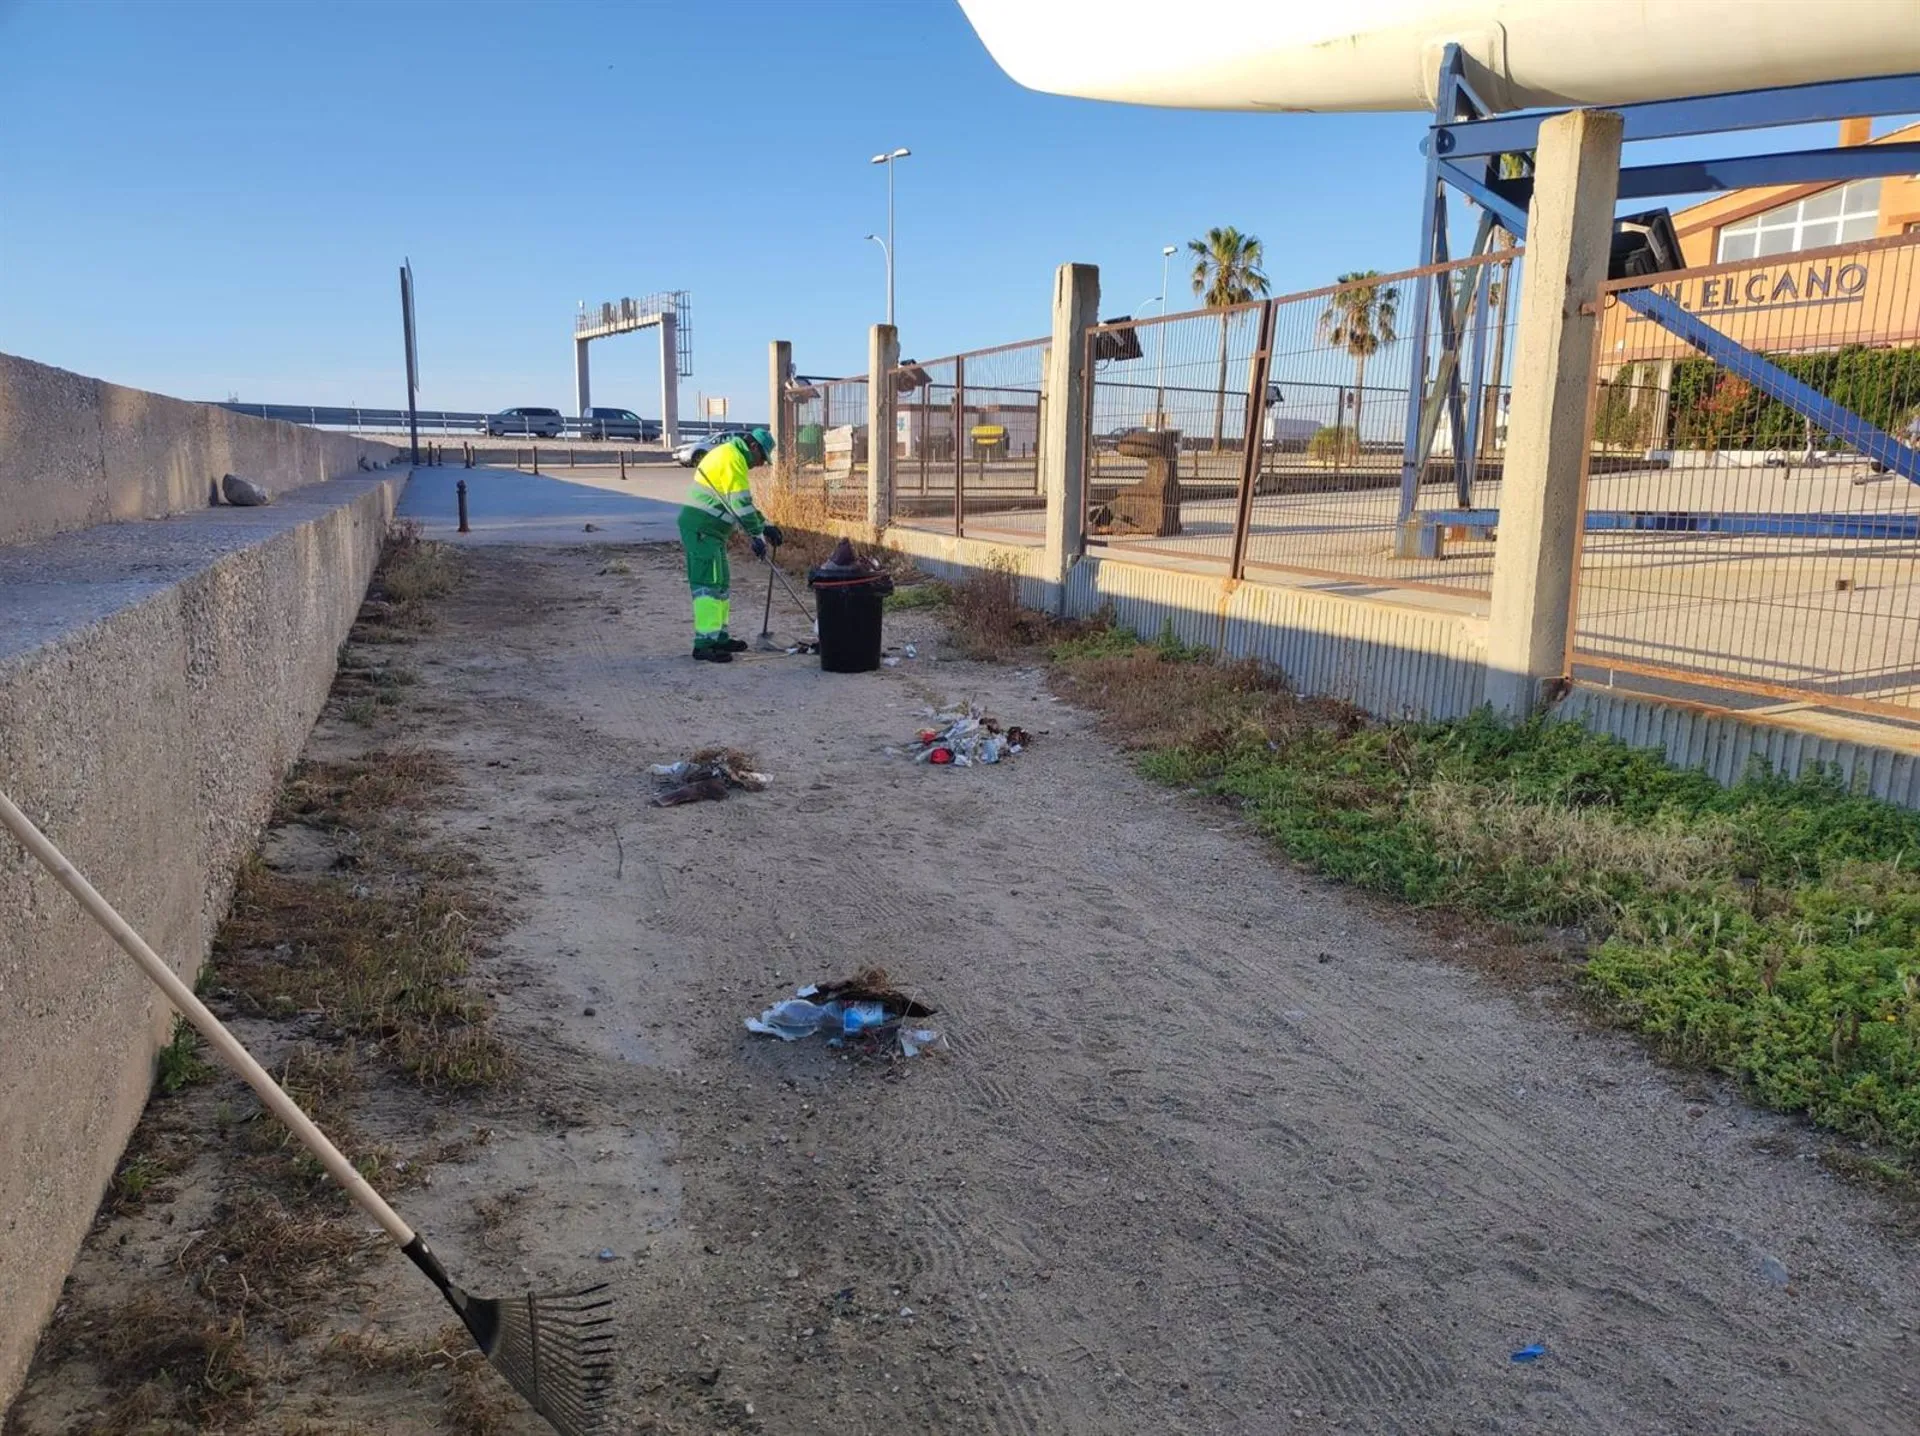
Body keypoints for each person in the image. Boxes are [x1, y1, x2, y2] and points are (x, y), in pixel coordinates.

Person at [678, 427, 783, 663]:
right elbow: (740, 504)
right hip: (702, 531)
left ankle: (720, 637)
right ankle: (704, 644)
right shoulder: (732, 458)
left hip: (713, 533)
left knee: (721, 584)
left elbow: (742, 504)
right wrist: (757, 536)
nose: (759, 464)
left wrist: (765, 525)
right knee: (708, 587)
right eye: (761, 458)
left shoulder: (730, 455)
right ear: (753, 447)